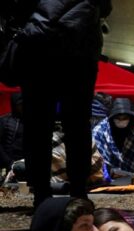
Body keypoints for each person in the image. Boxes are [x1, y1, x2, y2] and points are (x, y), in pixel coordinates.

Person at [13, 0, 112, 208]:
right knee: (78, 124)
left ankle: (41, 194)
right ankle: (78, 191)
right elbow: (105, 7)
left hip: (38, 47)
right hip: (79, 49)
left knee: (37, 125)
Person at [92, 98, 134, 180]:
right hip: (105, 180)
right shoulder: (100, 131)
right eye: (118, 118)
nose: (121, 121)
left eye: (125, 118)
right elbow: (94, 156)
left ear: (130, 118)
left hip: (133, 180)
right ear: (112, 118)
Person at [0, 93, 23, 172]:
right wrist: (9, 162)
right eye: (20, 104)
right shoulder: (4, 121)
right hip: (8, 164)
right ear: (15, 105)